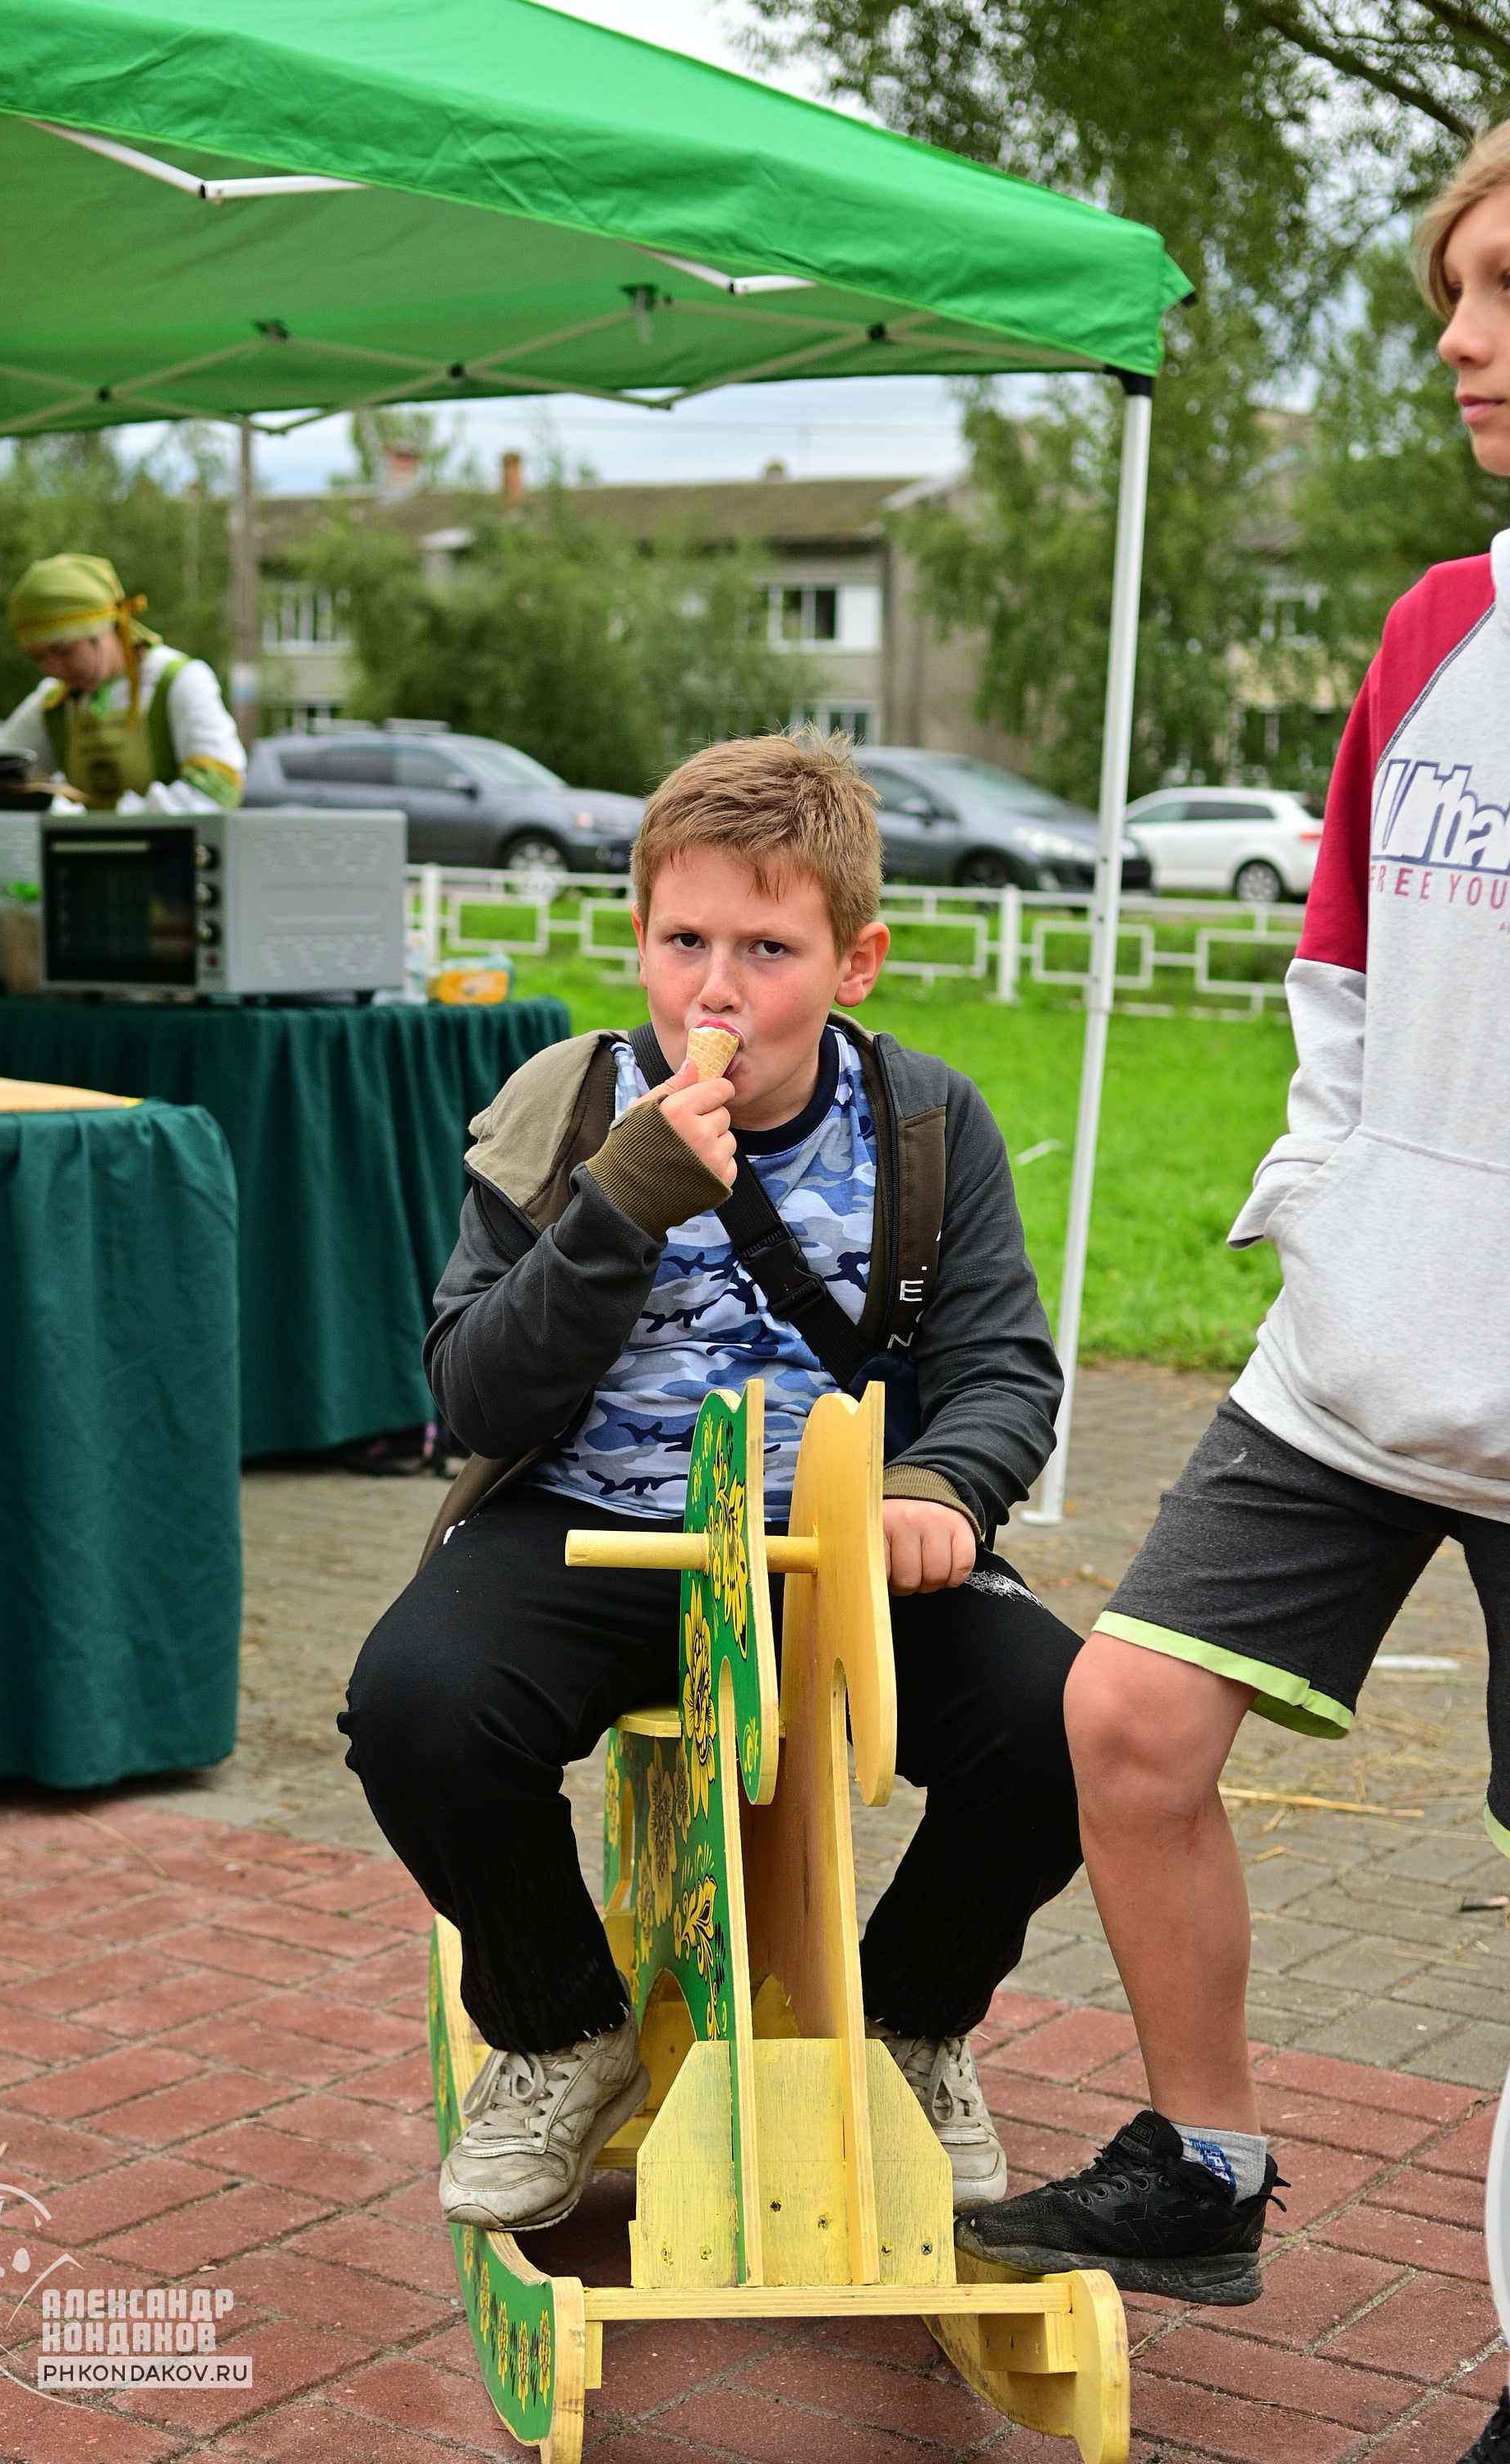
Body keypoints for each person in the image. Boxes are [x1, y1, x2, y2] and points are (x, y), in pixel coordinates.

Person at [960, 118, 1510, 2414]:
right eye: (1457, 300)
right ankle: (1204, 2162)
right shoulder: (1440, 622)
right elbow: (1350, 962)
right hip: (1367, 1348)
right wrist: (1335, 1198)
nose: (1469, 350)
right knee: (1131, 1718)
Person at [340, 730, 1086, 2234]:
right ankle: (561, 2028)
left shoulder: (928, 1122)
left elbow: (1008, 1367)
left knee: (1066, 1725)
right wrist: (620, 1202)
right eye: (684, 942)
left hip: (836, 1542)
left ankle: (908, 2023)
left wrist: (941, 1487)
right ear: (640, 940)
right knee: (413, 1708)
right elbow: (474, 1389)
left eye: (769, 948)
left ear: (856, 959)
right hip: (584, 1519)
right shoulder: (563, 1107)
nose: (718, 990)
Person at [0, 554, 244, 812]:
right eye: (38, 657)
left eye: (64, 650)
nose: (53, 668)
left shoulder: (179, 681)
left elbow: (217, 789)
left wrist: (108, 822)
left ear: (105, 627)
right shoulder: (53, 704)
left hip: (168, 851)